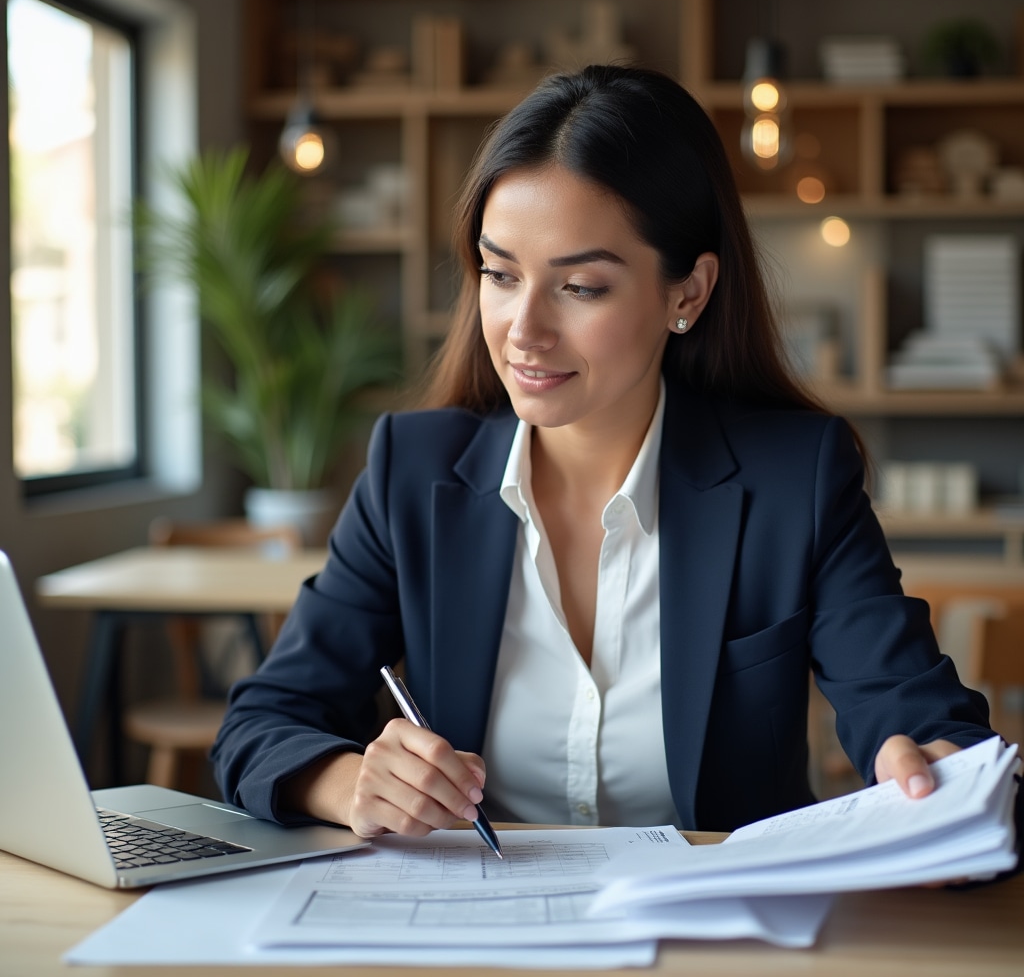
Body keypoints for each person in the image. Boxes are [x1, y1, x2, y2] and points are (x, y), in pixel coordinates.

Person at [211, 64, 994, 839]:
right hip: (478, 937)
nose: (523, 329)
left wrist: (932, 769)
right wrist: (348, 782)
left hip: (714, 944)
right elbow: (263, 722)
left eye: (580, 287)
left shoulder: (795, 476)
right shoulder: (411, 472)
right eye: (499, 274)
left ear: (686, 293)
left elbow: (915, 713)